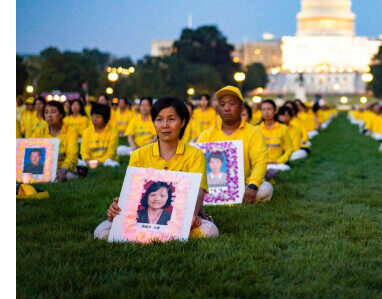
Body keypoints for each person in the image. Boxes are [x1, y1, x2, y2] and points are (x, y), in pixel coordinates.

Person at [95, 97, 218, 239]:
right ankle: (159, 234)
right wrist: (117, 207)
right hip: (144, 217)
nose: (165, 125)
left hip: (183, 214)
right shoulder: (138, 155)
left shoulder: (195, 155)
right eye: (159, 120)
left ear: (182, 122)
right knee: (101, 232)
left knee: (210, 231)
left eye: (171, 119)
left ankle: (160, 234)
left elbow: (198, 192)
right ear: (153, 122)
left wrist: (193, 214)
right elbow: (133, 193)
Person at [196, 86, 272, 202]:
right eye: (222, 105)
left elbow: (260, 162)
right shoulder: (206, 135)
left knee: (266, 189)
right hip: (212, 187)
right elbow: (197, 164)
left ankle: (236, 197)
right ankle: (228, 199)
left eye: (232, 104)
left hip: (244, 184)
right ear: (218, 109)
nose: (226, 108)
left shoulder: (254, 133)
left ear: (241, 107)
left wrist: (253, 185)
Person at [32, 100, 79, 181]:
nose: (49, 115)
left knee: (68, 176)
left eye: (53, 112)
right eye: (46, 112)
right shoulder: (38, 131)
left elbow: (72, 154)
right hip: (44, 169)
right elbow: (30, 150)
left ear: (61, 115)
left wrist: (64, 169)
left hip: (65, 169)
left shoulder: (71, 131)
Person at [258, 99, 293, 175]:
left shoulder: (283, 128)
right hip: (261, 164)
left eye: (269, 109)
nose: (266, 112)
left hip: (277, 164)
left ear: (274, 111)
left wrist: (278, 161)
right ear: (261, 112)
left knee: (286, 168)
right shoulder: (256, 129)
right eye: (263, 109)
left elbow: (289, 149)